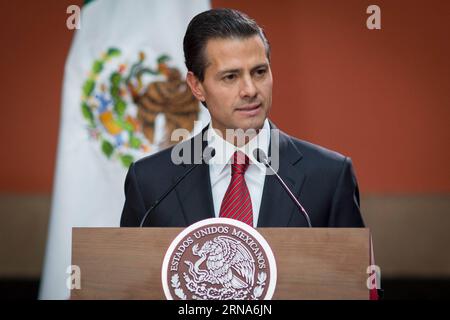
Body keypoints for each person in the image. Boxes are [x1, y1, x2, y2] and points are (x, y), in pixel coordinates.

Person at [120, 8, 364, 228]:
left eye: (259, 72)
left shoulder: (329, 177)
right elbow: (131, 275)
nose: (250, 90)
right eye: (230, 77)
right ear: (196, 86)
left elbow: (351, 275)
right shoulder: (150, 182)